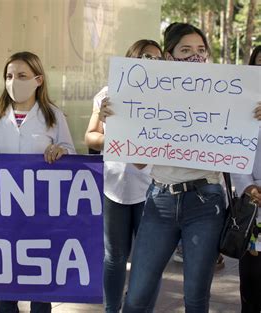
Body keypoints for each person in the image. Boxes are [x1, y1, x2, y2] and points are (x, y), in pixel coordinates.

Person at [112, 23, 261, 312]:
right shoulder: (148, 98)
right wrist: (118, 119)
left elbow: (241, 149)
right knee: (137, 296)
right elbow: (140, 161)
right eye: (186, 50)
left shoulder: (227, 95)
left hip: (206, 203)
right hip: (160, 202)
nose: (195, 56)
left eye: (201, 51)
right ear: (169, 57)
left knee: (196, 298)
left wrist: (255, 116)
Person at [0, 51, 75, 313]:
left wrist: (60, 151)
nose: (14, 81)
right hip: (3, 211)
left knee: (40, 280)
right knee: (5, 281)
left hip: (40, 211)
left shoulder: (53, 116)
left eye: (22, 76)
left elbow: (69, 151)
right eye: (9, 75)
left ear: (38, 80)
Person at [84, 39, 162, 313]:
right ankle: (111, 309)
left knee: (149, 259)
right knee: (114, 257)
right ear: (129, 59)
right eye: (144, 56)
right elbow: (91, 137)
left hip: (151, 189)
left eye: (156, 58)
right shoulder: (107, 94)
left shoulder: (165, 99)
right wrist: (115, 137)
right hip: (113, 187)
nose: (149, 62)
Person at [231, 45, 261, 313]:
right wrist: (249, 187)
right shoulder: (242, 107)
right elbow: (234, 153)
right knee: (252, 283)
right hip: (255, 208)